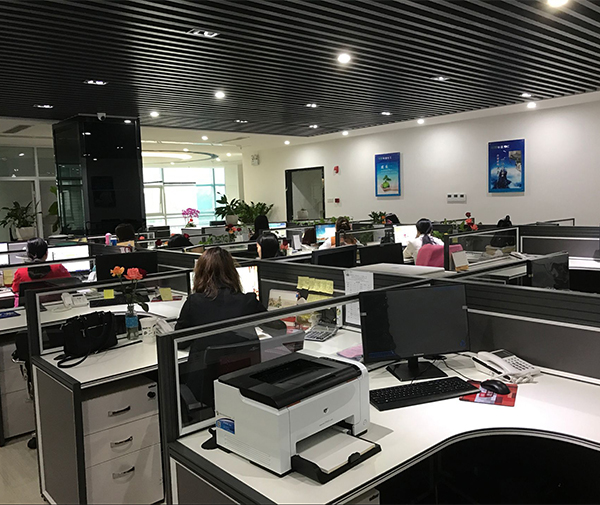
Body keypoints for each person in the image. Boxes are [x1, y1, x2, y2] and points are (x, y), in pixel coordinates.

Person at [175, 247, 266, 333]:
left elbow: (179, 339)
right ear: (232, 272)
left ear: (200, 273)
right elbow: (272, 326)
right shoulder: (249, 301)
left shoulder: (193, 303)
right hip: (244, 345)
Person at [11, 238, 71, 307]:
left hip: (31, 311)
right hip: (56, 308)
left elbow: (15, 289)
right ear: (46, 253)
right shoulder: (58, 268)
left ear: (28, 254)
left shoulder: (20, 272)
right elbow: (71, 283)